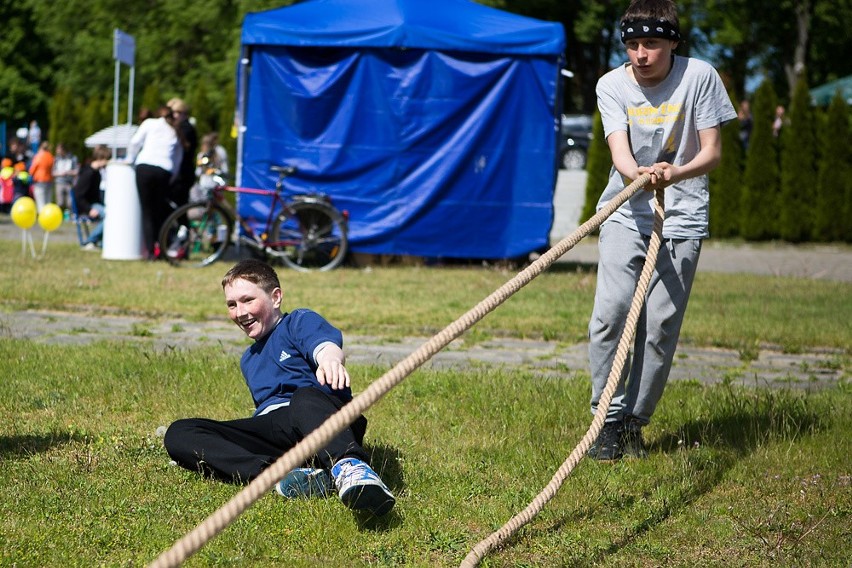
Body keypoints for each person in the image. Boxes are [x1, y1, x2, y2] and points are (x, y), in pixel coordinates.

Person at [585, 0, 736, 461]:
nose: (641, 54)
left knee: (659, 327)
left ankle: (633, 423)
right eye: (632, 45)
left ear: (672, 41)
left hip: (683, 211)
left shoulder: (699, 77)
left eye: (651, 43)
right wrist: (640, 176)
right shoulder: (611, 84)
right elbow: (619, 153)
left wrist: (677, 173)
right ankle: (606, 420)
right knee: (610, 314)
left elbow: (712, 153)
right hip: (626, 210)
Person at [164, 259, 395, 516]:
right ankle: (279, 474)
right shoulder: (248, 359)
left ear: (276, 297)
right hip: (278, 431)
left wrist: (330, 361)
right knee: (180, 432)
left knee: (304, 397)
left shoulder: (297, 322)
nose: (240, 312)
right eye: (232, 304)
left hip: (320, 418)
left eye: (248, 300)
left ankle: (349, 467)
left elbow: (324, 346)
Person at [126, 105, 185, 258]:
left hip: (145, 167)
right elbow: (177, 159)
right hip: (164, 171)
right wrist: (172, 176)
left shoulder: (150, 123)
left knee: (147, 211)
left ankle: (152, 252)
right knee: (159, 211)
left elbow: (134, 142)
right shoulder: (175, 131)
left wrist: (130, 159)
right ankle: (164, 248)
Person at [73, 145, 111, 250]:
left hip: (94, 204)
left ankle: (100, 242)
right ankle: (90, 241)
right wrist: (89, 209)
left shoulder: (97, 173)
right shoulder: (88, 174)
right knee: (109, 216)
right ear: (100, 159)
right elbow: (78, 194)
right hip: (87, 206)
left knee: (111, 214)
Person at [166, 98, 198, 210]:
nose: (175, 116)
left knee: (179, 206)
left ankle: (183, 227)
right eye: (172, 113)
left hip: (182, 174)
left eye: (178, 112)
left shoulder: (186, 128)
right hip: (179, 173)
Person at [28, 141, 55, 213]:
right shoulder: (51, 156)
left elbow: (33, 168)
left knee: (40, 201)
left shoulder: (39, 156)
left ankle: (42, 217)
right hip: (49, 179)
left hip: (40, 180)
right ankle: (49, 216)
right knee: (48, 200)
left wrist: (30, 174)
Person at [52, 143, 79, 213]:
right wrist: (60, 173)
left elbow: (77, 171)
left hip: (69, 183)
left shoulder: (73, 158)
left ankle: (70, 215)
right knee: (60, 202)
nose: (57, 151)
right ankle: (58, 215)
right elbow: (53, 172)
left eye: (59, 150)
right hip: (59, 182)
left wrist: (68, 172)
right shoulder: (56, 159)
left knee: (70, 202)